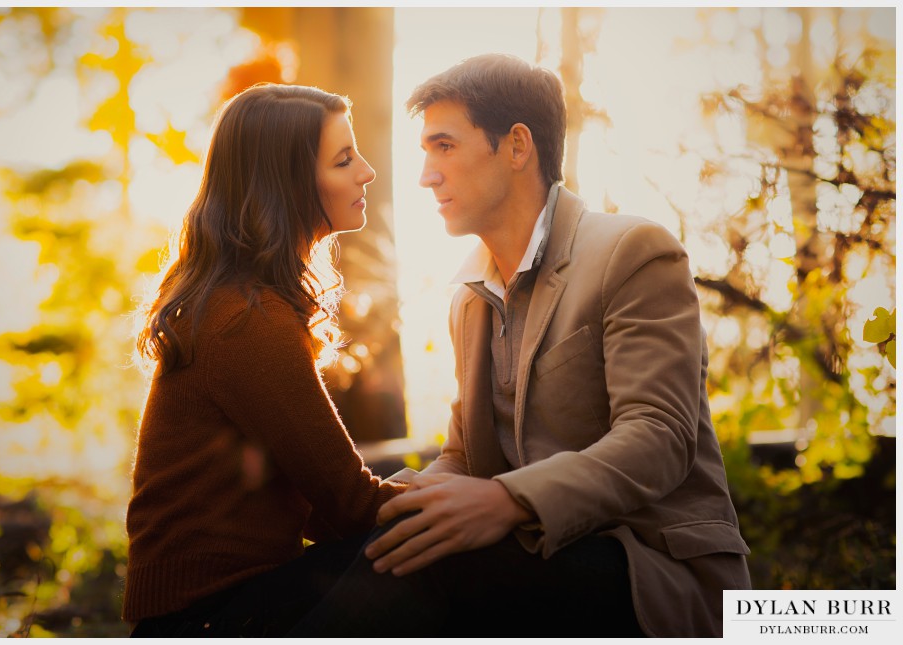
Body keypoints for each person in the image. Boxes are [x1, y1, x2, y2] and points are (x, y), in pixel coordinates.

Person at [292, 53, 751, 638]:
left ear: (516, 146)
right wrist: (386, 504)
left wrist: (510, 501)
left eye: (445, 147)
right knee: (327, 568)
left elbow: (658, 438)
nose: (426, 175)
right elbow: (461, 457)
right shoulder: (468, 295)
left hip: (652, 567)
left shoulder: (633, 251)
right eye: (426, 152)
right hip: (535, 562)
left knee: (431, 568)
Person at [122, 83, 405, 637]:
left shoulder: (242, 301)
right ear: (289, 183)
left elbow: (322, 508)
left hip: (222, 606)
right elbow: (350, 506)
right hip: (211, 618)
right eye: (344, 159)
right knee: (437, 562)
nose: (366, 172)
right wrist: (469, 500)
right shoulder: (246, 319)